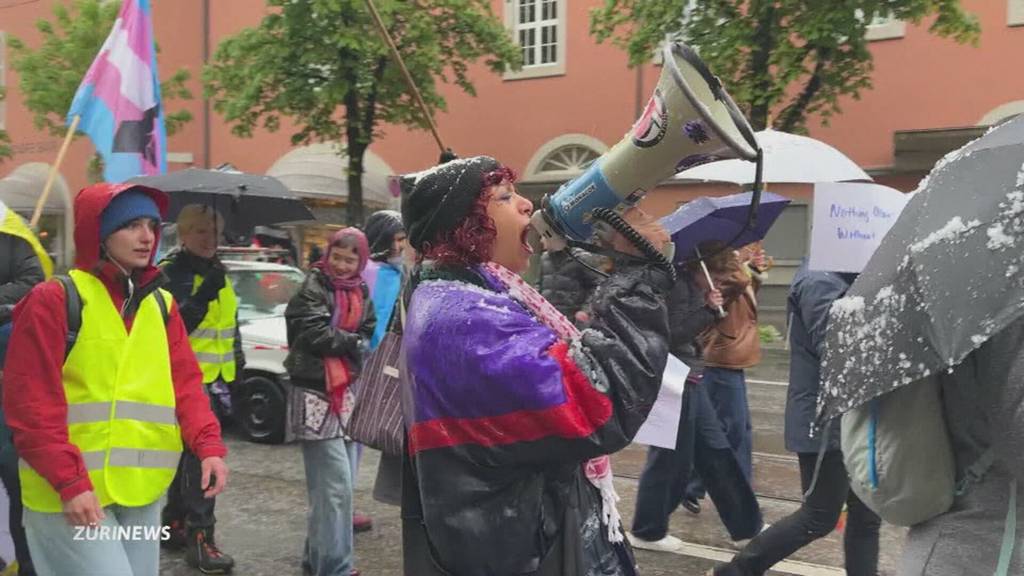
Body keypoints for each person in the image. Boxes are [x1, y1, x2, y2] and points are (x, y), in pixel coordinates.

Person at [399, 156, 673, 575]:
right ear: (464, 227)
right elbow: (594, 403)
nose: (527, 206)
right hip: (531, 551)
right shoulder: (462, 318)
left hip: (534, 536)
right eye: (505, 198)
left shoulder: (470, 297)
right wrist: (637, 276)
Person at [2, 183, 229, 576]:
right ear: (99, 233)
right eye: (130, 225)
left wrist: (208, 444)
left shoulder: (162, 304)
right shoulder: (53, 299)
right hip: (65, 494)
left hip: (140, 489)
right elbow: (31, 405)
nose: (146, 237)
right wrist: (70, 482)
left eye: (151, 225)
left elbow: (186, 384)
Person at [711, 260, 880, 576]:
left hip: (859, 415)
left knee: (867, 515)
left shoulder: (858, 272)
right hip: (825, 420)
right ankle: (735, 572)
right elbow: (837, 346)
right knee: (819, 515)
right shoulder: (819, 279)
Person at [629, 264, 763, 553]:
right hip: (676, 377)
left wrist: (708, 306)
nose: (716, 281)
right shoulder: (676, 285)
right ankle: (647, 529)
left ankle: (746, 526)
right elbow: (671, 332)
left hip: (690, 375)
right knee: (671, 458)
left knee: (715, 449)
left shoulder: (690, 283)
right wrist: (708, 310)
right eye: (713, 275)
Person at [285, 228, 376, 576]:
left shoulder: (360, 290)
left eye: (350, 259)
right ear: (327, 254)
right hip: (313, 392)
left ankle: (317, 558)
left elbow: (368, 327)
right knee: (335, 487)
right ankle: (336, 568)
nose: (341, 264)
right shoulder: (312, 286)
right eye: (336, 256)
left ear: (360, 262)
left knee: (335, 487)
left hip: (345, 392)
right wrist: (353, 342)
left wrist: (353, 340)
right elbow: (314, 334)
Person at [159, 204, 241, 573]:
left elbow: (230, 326)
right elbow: (172, 331)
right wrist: (204, 295)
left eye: (216, 233)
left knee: (189, 462)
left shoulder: (216, 271)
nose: (210, 240)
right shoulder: (172, 273)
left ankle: (174, 524)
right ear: (185, 233)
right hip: (185, 382)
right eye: (202, 232)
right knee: (203, 462)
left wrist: (236, 367)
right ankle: (200, 538)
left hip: (216, 379)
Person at [684, 243, 766, 513]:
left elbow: (744, 300)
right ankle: (737, 498)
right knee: (731, 429)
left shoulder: (733, 273)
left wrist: (752, 269)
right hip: (721, 355)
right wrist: (739, 263)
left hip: (733, 356)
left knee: (734, 429)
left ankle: (693, 485)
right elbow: (734, 286)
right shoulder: (716, 272)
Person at [0, 200, 48, 576]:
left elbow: (32, 283)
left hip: (9, 395)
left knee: (18, 485)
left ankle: (28, 565)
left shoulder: (11, 233)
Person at [361, 210, 408, 509]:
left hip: (386, 361)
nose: (402, 246)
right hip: (366, 360)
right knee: (356, 430)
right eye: (398, 239)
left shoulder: (400, 273)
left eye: (404, 239)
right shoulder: (369, 271)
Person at [537, 240, 609, 324]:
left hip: (573, 319)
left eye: (544, 236)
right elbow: (539, 284)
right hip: (547, 318)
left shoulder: (581, 258)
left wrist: (586, 310)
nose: (542, 240)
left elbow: (597, 286)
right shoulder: (544, 258)